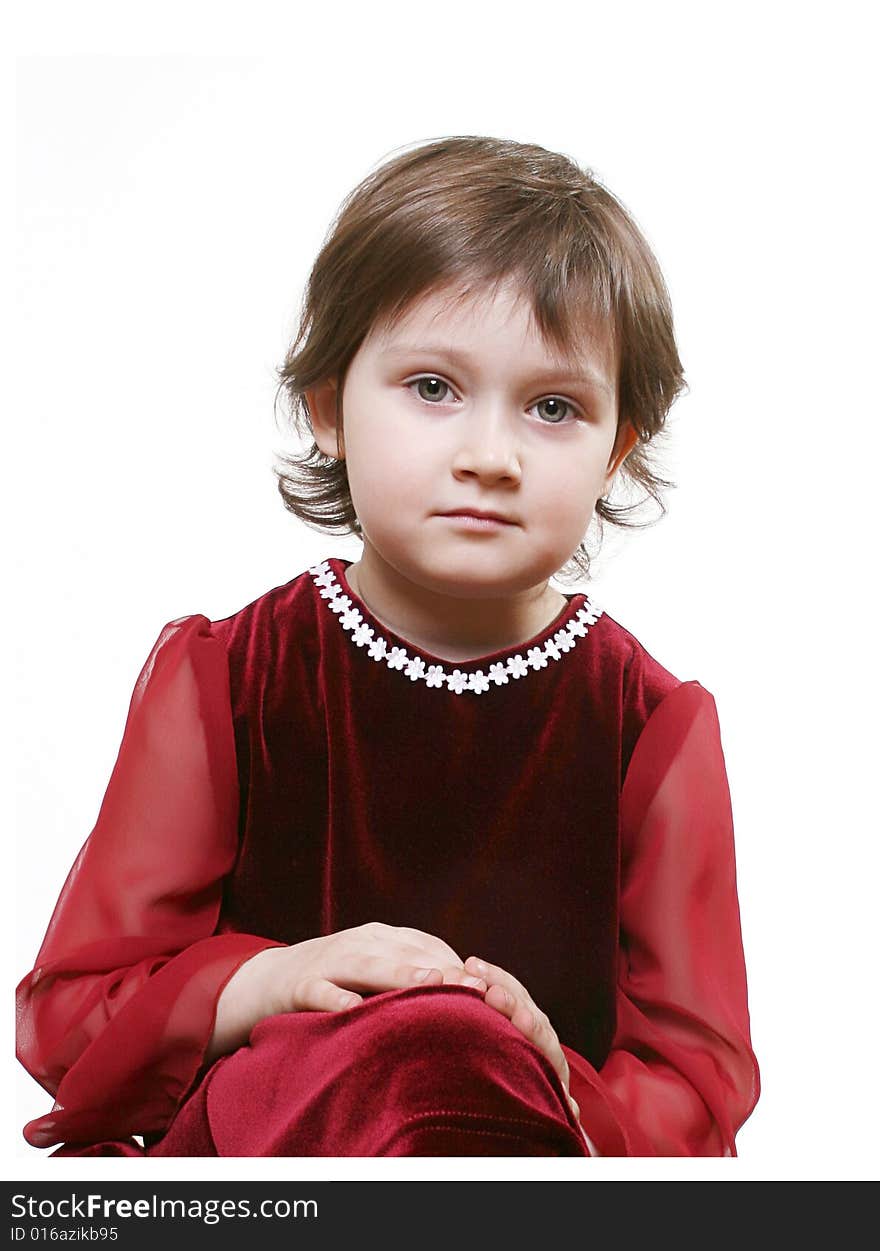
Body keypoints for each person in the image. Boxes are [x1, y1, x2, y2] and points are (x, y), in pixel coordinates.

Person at [16, 135, 760, 1157]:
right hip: (276, 1173)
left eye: (553, 408)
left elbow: (696, 1082)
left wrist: (550, 1066)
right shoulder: (229, 680)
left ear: (616, 449)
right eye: (432, 388)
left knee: (449, 1048)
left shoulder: (650, 729)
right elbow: (71, 1016)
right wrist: (269, 979)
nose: (488, 456)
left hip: (519, 1174)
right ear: (327, 408)